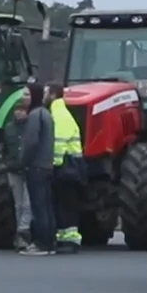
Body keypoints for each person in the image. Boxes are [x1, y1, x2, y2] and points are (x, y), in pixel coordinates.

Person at [18, 83, 57, 254]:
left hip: (36, 166)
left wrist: (23, 161)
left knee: (38, 206)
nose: (23, 97)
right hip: (47, 165)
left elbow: (30, 142)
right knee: (46, 206)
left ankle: (41, 243)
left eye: (26, 94)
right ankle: (49, 241)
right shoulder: (47, 114)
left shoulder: (34, 115)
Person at [48, 85, 88, 253]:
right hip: (70, 165)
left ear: (52, 95)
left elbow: (59, 142)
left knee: (67, 203)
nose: (44, 96)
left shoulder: (59, 115)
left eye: (45, 93)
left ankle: (71, 240)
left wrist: (53, 164)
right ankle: (64, 238)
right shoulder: (60, 113)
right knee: (64, 203)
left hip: (66, 165)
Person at [4, 89, 34, 249]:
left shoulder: (31, 127)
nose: (19, 113)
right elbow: (5, 149)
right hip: (13, 170)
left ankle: (24, 231)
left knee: (28, 204)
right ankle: (19, 232)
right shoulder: (8, 128)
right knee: (18, 204)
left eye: (22, 110)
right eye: (17, 110)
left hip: (28, 170)